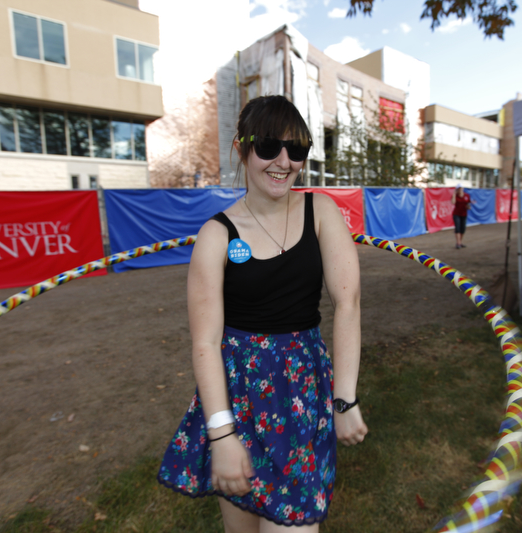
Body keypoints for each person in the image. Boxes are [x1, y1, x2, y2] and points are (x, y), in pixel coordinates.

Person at [157, 95, 368, 532]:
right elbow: (204, 342)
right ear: (242, 149)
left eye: (297, 150)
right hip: (236, 397)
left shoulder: (321, 212)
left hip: (302, 395)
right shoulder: (216, 236)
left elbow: (348, 305)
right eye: (269, 147)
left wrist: (344, 397)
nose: (284, 161)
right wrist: (221, 434)